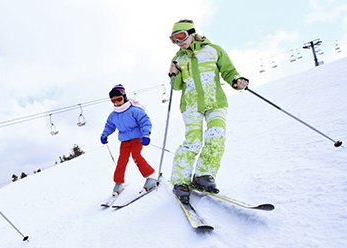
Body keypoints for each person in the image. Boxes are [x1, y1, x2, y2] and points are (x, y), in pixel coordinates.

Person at [167, 19, 249, 203]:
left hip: (215, 102)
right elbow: (177, 86)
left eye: (181, 36)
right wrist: (174, 74)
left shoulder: (214, 50)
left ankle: (203, 175)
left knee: (216, 136)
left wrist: (237, 81)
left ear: (191, 32)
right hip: (191, 104)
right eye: (174, 39)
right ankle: (180, 181)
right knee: (193, 142)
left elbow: (229, 72)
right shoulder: (178, 59)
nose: (178, 42)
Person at [101, 84, 157, 194]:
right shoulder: (113, 115)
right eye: (113, 101)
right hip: (124, 140)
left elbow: (145, 121)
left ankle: (151, 176)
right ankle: (118, 182)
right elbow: (109, 126)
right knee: (122, 160)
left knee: (136, 155)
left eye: (119, 99)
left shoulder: (134, 110)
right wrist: (104, 135)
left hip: (137, 138)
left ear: (124, 97)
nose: (116, 102)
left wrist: (146, 135)